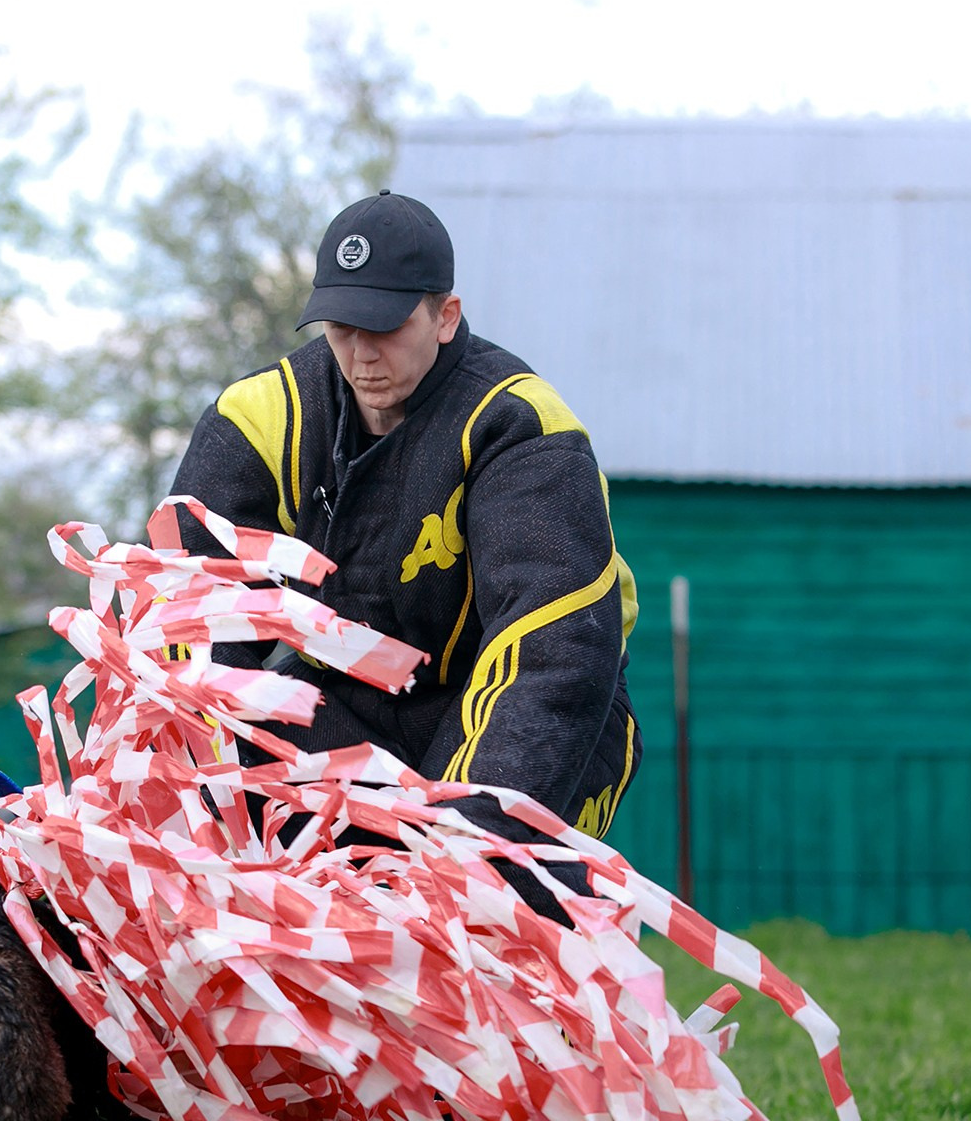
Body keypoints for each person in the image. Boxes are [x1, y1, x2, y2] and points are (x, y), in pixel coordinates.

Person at [168, 190, 642, 854]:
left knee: (480, 886)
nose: (361, 355)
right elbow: (190, 614)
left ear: (445, 316)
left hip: (522, 699)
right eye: (341, 327)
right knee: (244, 815)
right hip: (347, 698)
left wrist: (464, 847)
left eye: (385, 326)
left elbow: (553, 652)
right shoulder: (259, 417)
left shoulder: (520, 426)